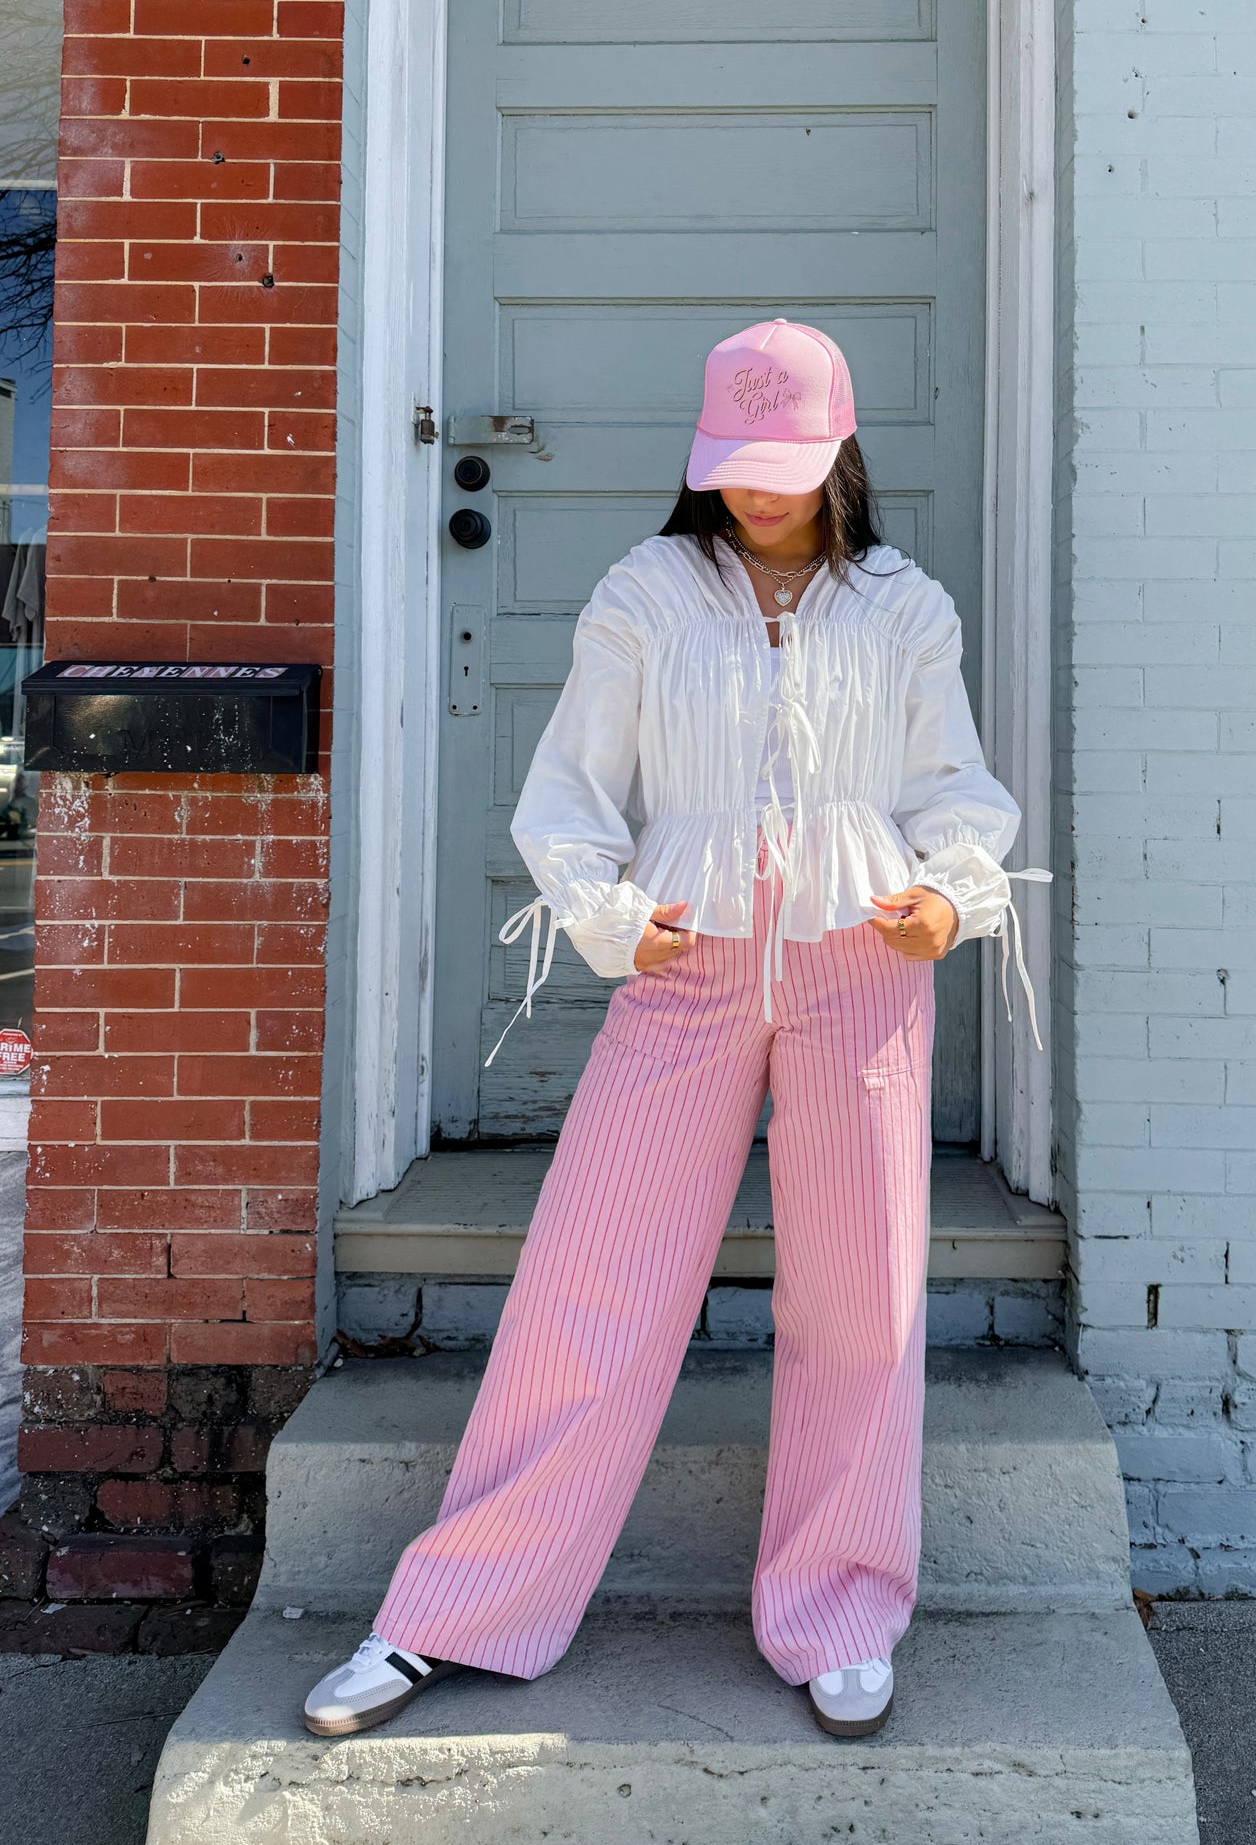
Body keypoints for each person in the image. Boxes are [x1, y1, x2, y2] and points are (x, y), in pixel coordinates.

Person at [303, 318, 1044, 1743]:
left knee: (861, 1302)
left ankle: (838, 1607)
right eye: (733, 467)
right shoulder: (647, 590)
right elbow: (571, 789)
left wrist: (950, 902)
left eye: (781, 467)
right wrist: (600, 914)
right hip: (685, 963)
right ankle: (450, 1612)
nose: (754, 493)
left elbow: (955, 786)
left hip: (862, 962)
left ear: (838, 453)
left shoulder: (903, 605)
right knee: (593, 1276)